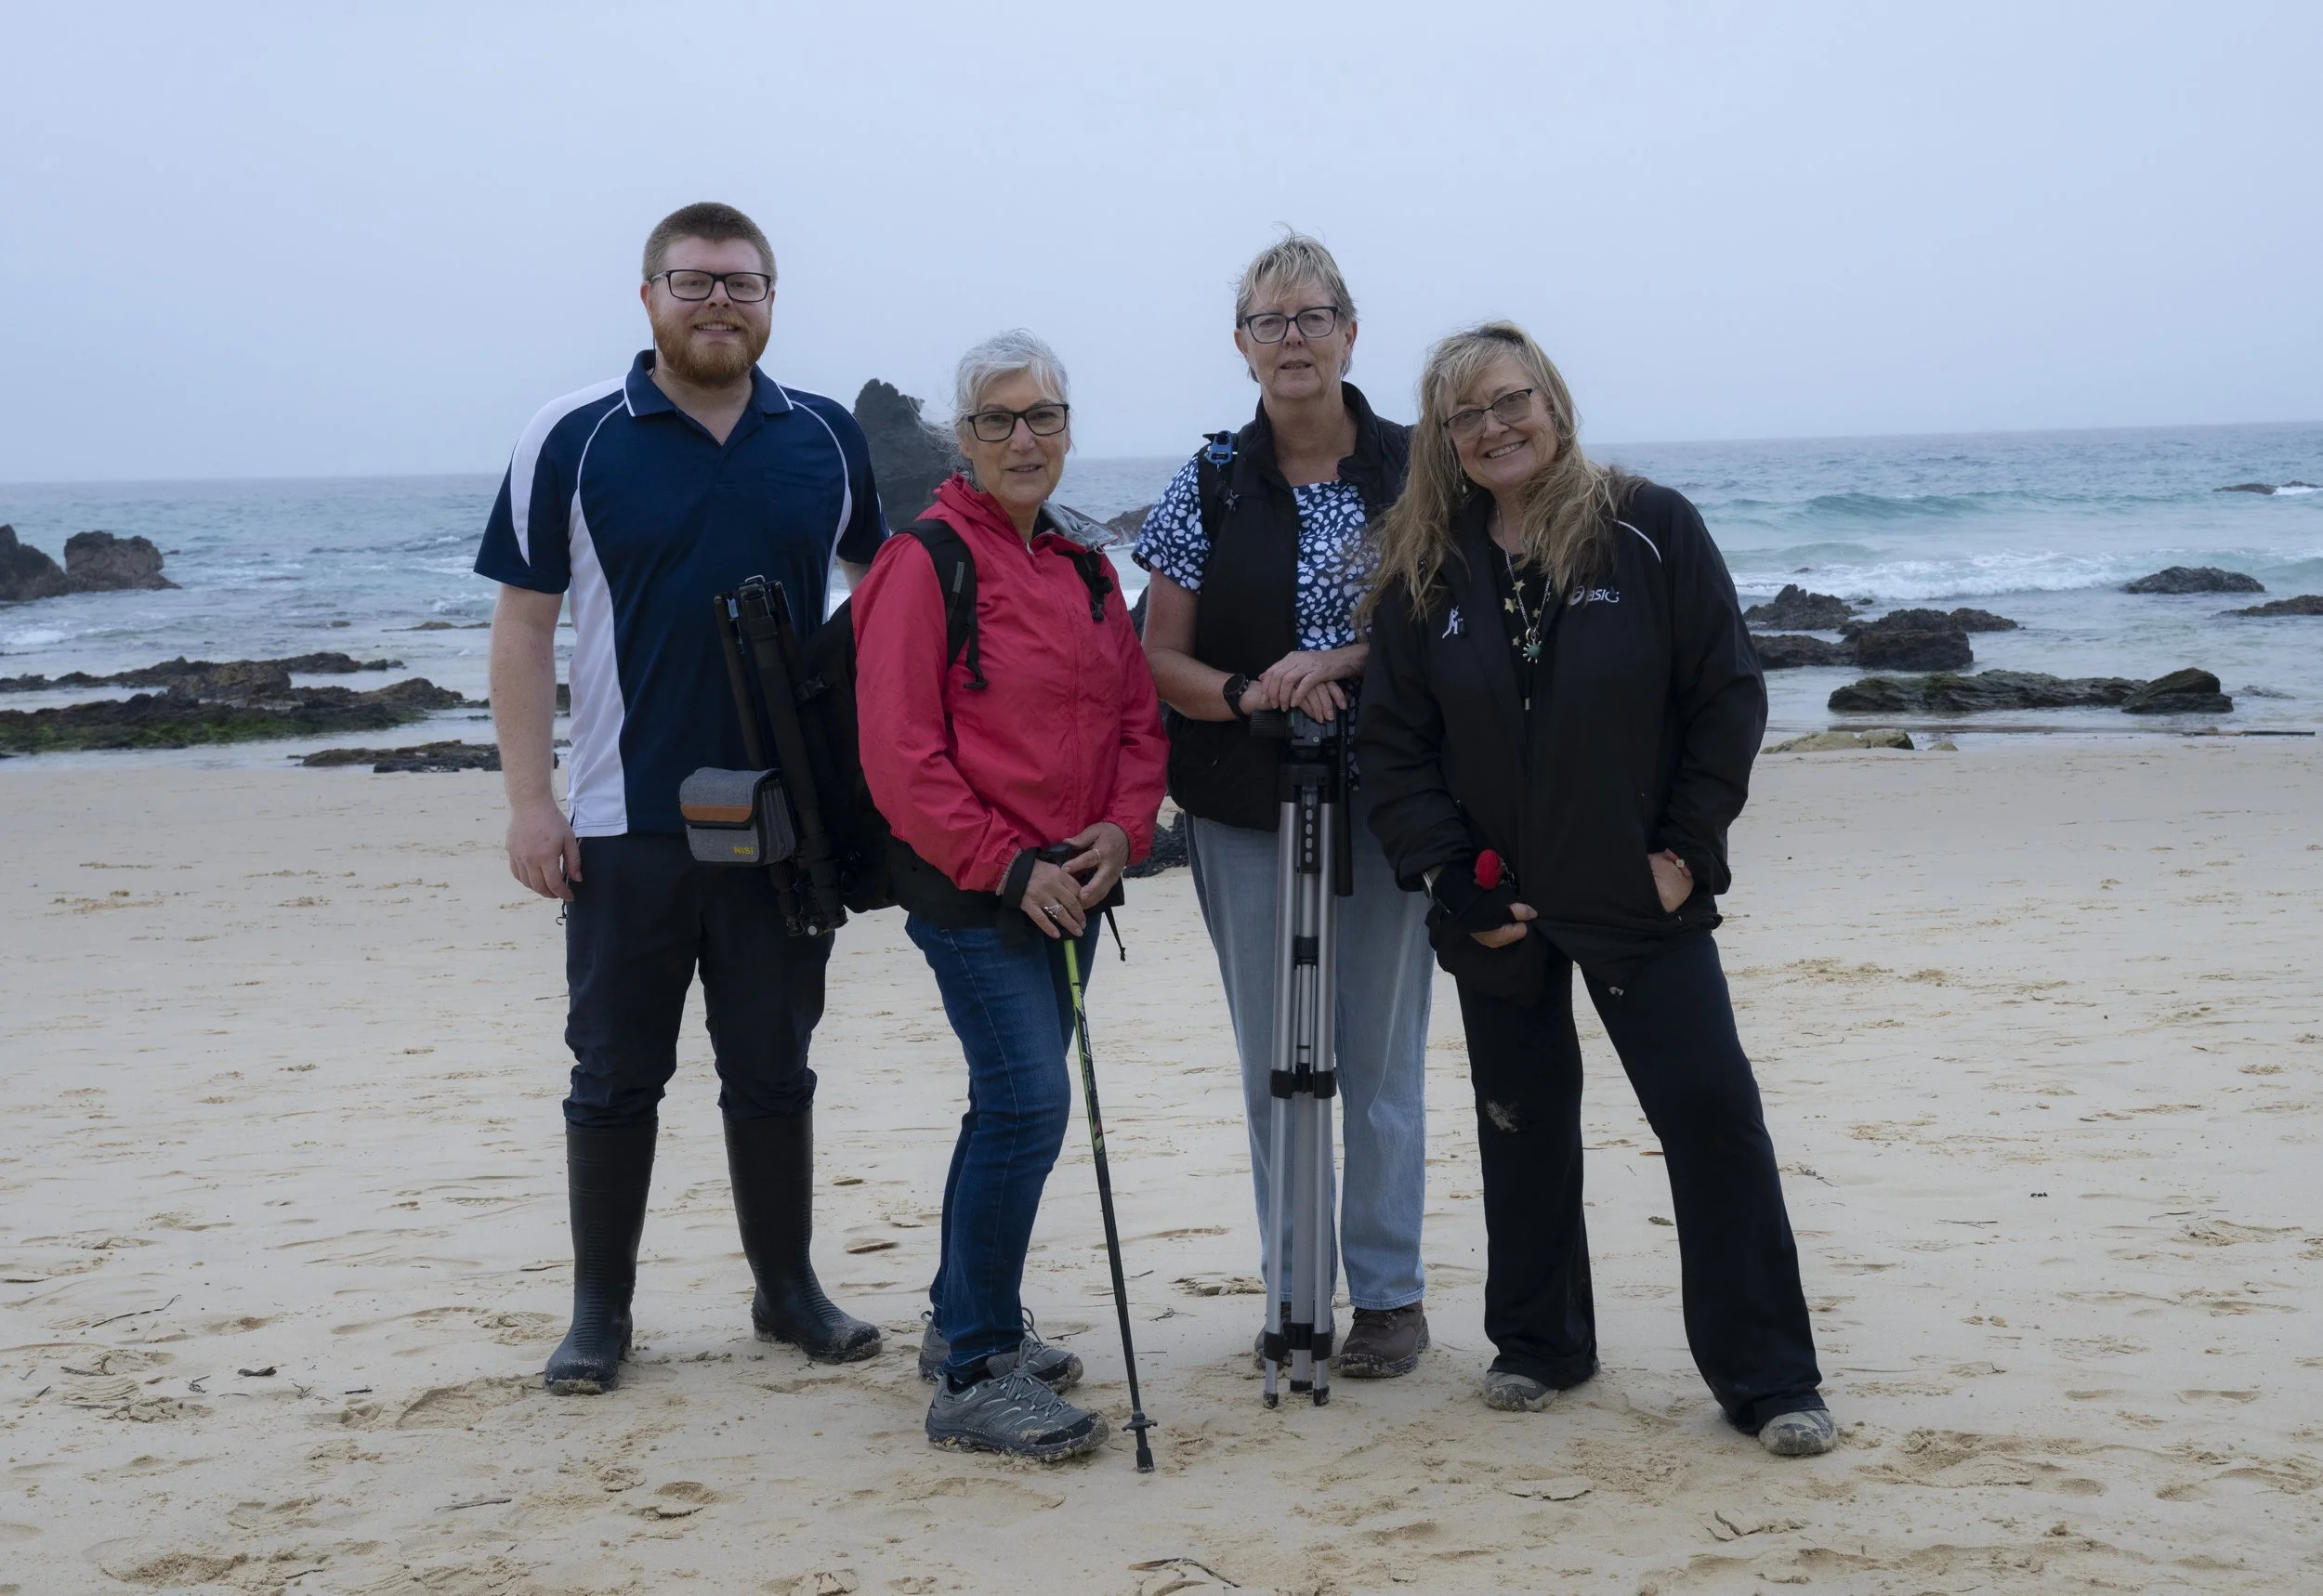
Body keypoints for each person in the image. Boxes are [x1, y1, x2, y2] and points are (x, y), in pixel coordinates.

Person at [1356, 321, 1835, 1456]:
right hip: (1494, 901)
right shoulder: (1427, 565)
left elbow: (1726, 696)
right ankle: (1539, 1343)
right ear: (1445, 440)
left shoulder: (1648, 528)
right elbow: (1394, 743)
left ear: (1553, 403)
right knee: (1520, 1124)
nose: (1493, 427)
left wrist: (1684, 852)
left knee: (1712, 1122)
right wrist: (1450, 881)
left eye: (1509, 400)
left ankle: (1769, 1379)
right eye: (1465, 416)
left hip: (1638, 894)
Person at [477, 202, 889, 1394]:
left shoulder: (822, 435)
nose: (719, 302)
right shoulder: (573, 436)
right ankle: (600, 1311)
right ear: (648, 293)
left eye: (742, 284)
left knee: (774, 1064)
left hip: (785, 824)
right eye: (695, 281)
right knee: (614, 1072)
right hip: (622, 820)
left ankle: (789, 1289)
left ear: (772, 299)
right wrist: (529, 801)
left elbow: (889, 587)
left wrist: (865, 766)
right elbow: (523, 619)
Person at [854, 330, 1167, 1461]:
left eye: (1042, 417)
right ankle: (979, 1368)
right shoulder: (921, 562)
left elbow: (1137, 720)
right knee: (1030, 1103)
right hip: (972, 890)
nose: (1023, 438)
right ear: (964, 436)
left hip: (1070, 887)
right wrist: (1008, 863)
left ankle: (958, 1324)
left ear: (1069, 431)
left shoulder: (1083, 569)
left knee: (1006, 1105)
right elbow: (899, 756)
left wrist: (1120, 834)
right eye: (997, 419)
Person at [1135, 232, 1436, 1378]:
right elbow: (1158, 654)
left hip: (1390, 797)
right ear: (1242, 346)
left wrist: (1342, 658)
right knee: (1276, 1055)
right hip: (1241, 800)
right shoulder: (1210, 479)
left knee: (1379, 1052)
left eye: (1312, 317)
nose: (1292, 338)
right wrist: (1250, 691)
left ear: (1351, 332)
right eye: (1270, 322)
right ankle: (1293, 1291)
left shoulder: (1418, 472)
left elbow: (1441, 622)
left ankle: (1390, 1295)